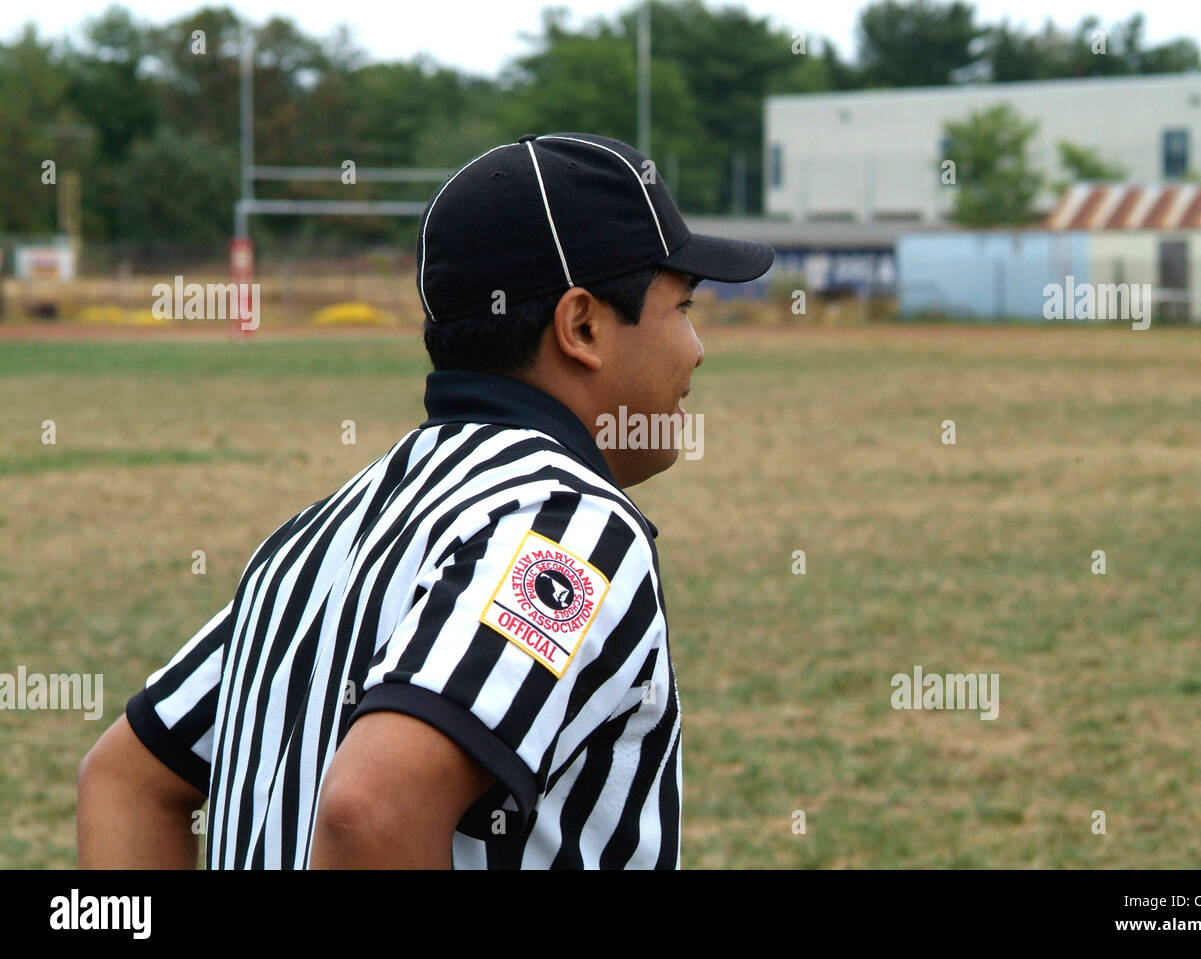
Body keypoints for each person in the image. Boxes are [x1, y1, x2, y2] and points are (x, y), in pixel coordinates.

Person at [77, 132, 774, 869]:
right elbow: (373, 811)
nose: (697, 348)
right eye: (683, 306)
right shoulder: (569, 523)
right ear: (583, 326)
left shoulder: (316, 534)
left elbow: (126, 778)